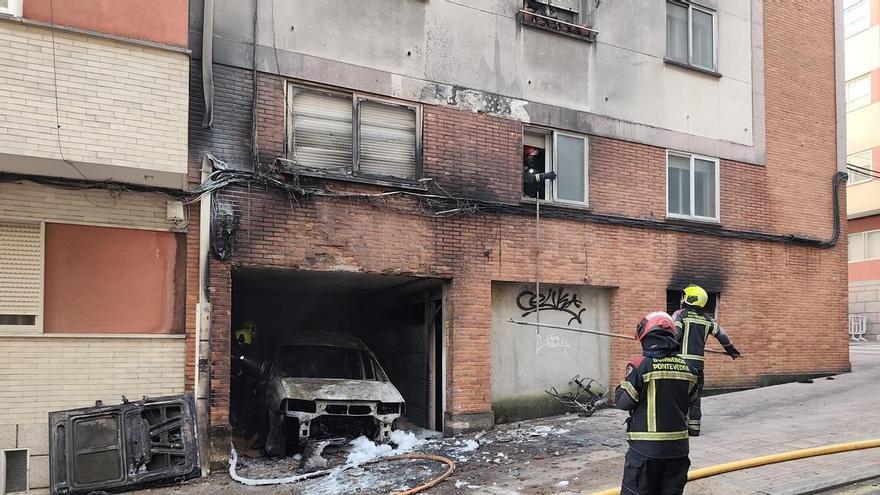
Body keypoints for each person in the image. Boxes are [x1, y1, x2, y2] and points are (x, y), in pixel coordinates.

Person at [616, 311, 698, 495]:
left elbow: (624, 402)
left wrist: (623, 383)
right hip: (678, 451)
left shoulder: (641, 365)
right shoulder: (689, 368)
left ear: (646, 335)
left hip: (646, 451)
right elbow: (692, 400)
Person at [672, 285, 741, 436]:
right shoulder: (706, 319)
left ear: (690, 298)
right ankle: (695, 428)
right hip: (698, 366)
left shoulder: (680, 314)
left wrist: (662, 347)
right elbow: (722, 334)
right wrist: (731, 350)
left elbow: (675, 335)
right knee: (695, 396)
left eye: (684, 295)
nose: (682, 298)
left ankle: (679, 427)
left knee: (677, 395)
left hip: (681, 364)